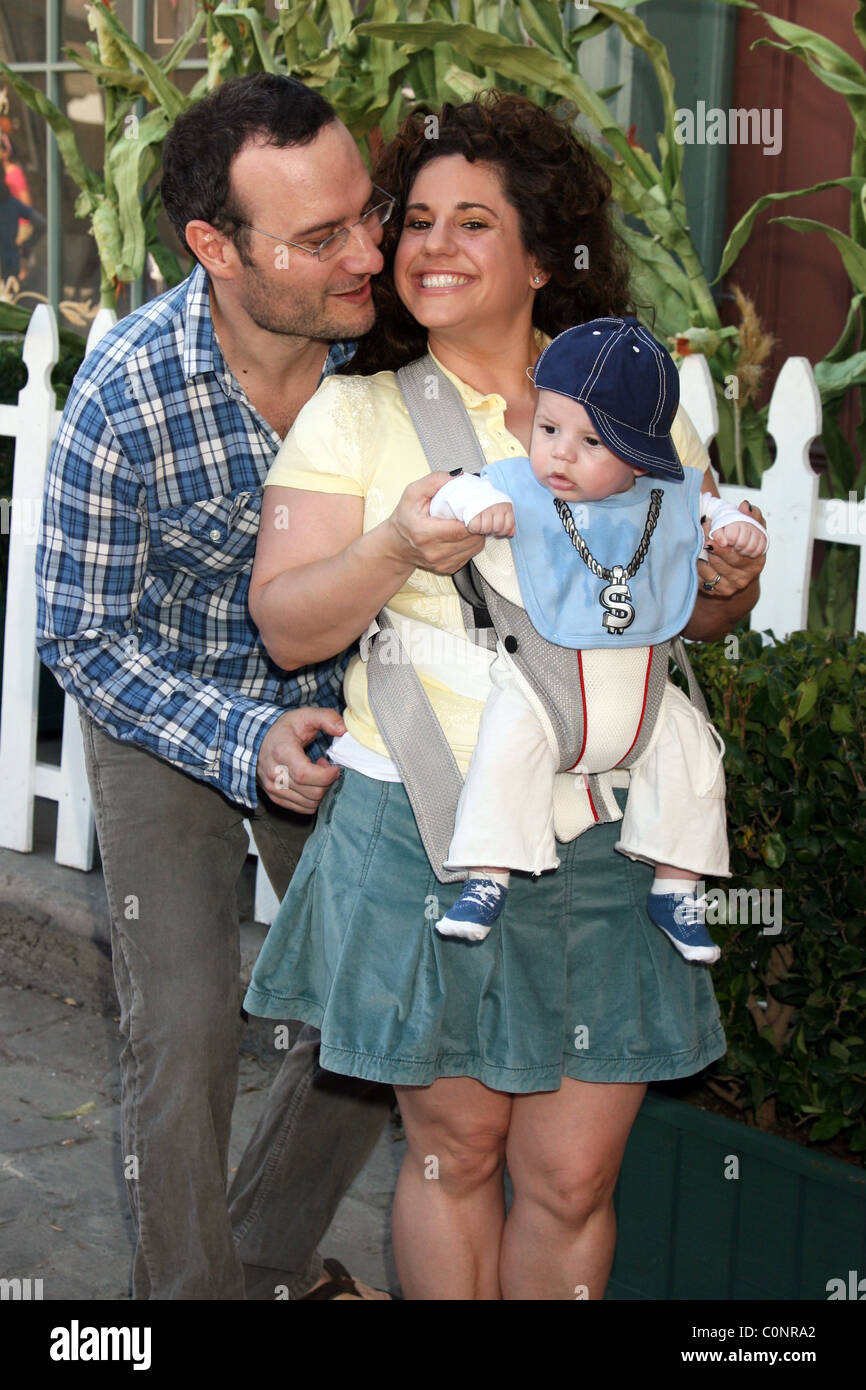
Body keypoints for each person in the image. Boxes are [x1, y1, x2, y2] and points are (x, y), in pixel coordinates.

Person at [243, 92, 767, 1300]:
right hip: (429, 828)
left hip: (611, 830)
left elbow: (684, 613)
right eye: (415, 219)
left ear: (543, 254)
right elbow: (285, 622)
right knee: (454, 1151)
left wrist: (725, 582)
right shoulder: (357, 411)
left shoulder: (631, 403)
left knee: (572, 1178)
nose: (431, 245)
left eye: (472, 222)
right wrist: (394, 547)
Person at [35, 73, 399, 1301]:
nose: (366, 253)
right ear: (216, 248)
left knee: (382, 999)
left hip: (361, 716)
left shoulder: (394, 339)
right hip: (168, 710)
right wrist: (243, 735)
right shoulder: (126, 393)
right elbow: (82, 636)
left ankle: (251, 1262)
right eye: (319, 238)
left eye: (368, 212)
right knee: (187, 1018)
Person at [430, 316, 768, 960]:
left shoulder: (666, 496)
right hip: (543, 688)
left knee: (693, 749)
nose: (558, 453)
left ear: (640, 457)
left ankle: (677, 886)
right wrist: (472, 506)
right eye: (549, 429)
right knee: (505, 747)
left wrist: (732, 522)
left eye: (591, 443)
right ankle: (486, 875)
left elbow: (706, 503)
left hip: (641, 695)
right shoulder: (512, 485)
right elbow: (450, 491)